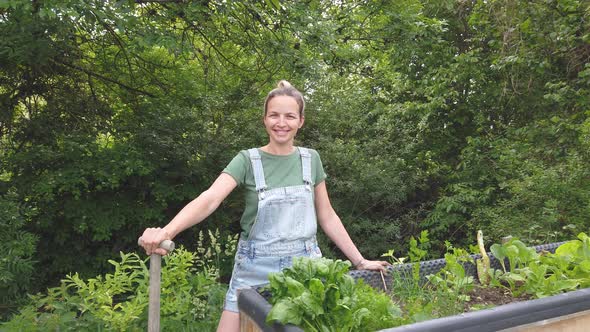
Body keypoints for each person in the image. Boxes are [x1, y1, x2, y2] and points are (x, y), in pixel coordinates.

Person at [139, 80, 390, 332]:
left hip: (305, 268)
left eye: (290, 116)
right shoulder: (247, 160)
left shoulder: (311, 159)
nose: (281, 123)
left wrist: (359, 261)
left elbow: (327, 215)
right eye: (274, 115)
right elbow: (211, 197)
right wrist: (168, 231)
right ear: (264, 119)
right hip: (254, 266)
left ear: (301, 121)